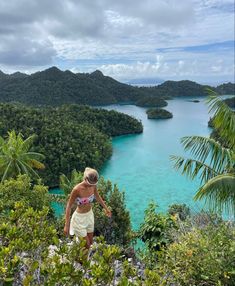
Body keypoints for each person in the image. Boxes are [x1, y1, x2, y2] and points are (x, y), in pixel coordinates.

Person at [64, 167, 112, 249]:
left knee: (90, 244)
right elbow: (69, 205)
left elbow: (97, 196)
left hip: (89, 216)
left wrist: (106, 209)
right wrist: (66, 225)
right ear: (86, 179)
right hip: (79, 219)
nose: (92, 185)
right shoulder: (77, 189)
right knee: (86, 244)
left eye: (94, 184)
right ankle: (80, 259)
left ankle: (83, 260)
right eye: (91, 183)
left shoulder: (93, 186)